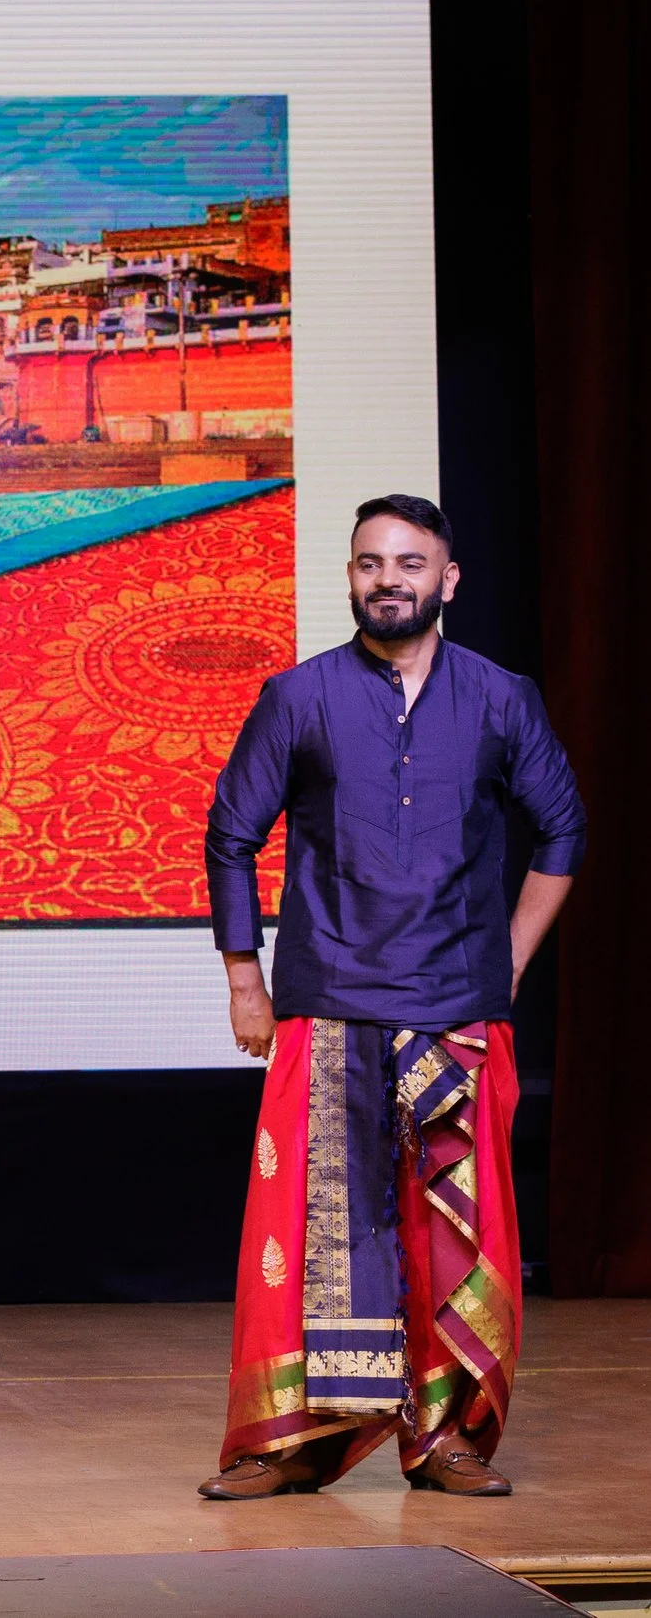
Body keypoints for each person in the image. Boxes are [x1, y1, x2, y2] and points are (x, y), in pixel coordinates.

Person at [199, 493, 584, 1500]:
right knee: (315, 1226)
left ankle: (446, 1440)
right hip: (328, 999)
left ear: (446, 580)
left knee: (453, 1227)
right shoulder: (301, 695)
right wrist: (245, 974)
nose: (389, 579)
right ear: (350, 577)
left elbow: (562, 831)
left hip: (458, 1003)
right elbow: (231, 833)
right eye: (371, 562)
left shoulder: (500, 697)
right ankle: (290, 1441)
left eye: (409, 562)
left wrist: (508, 957)